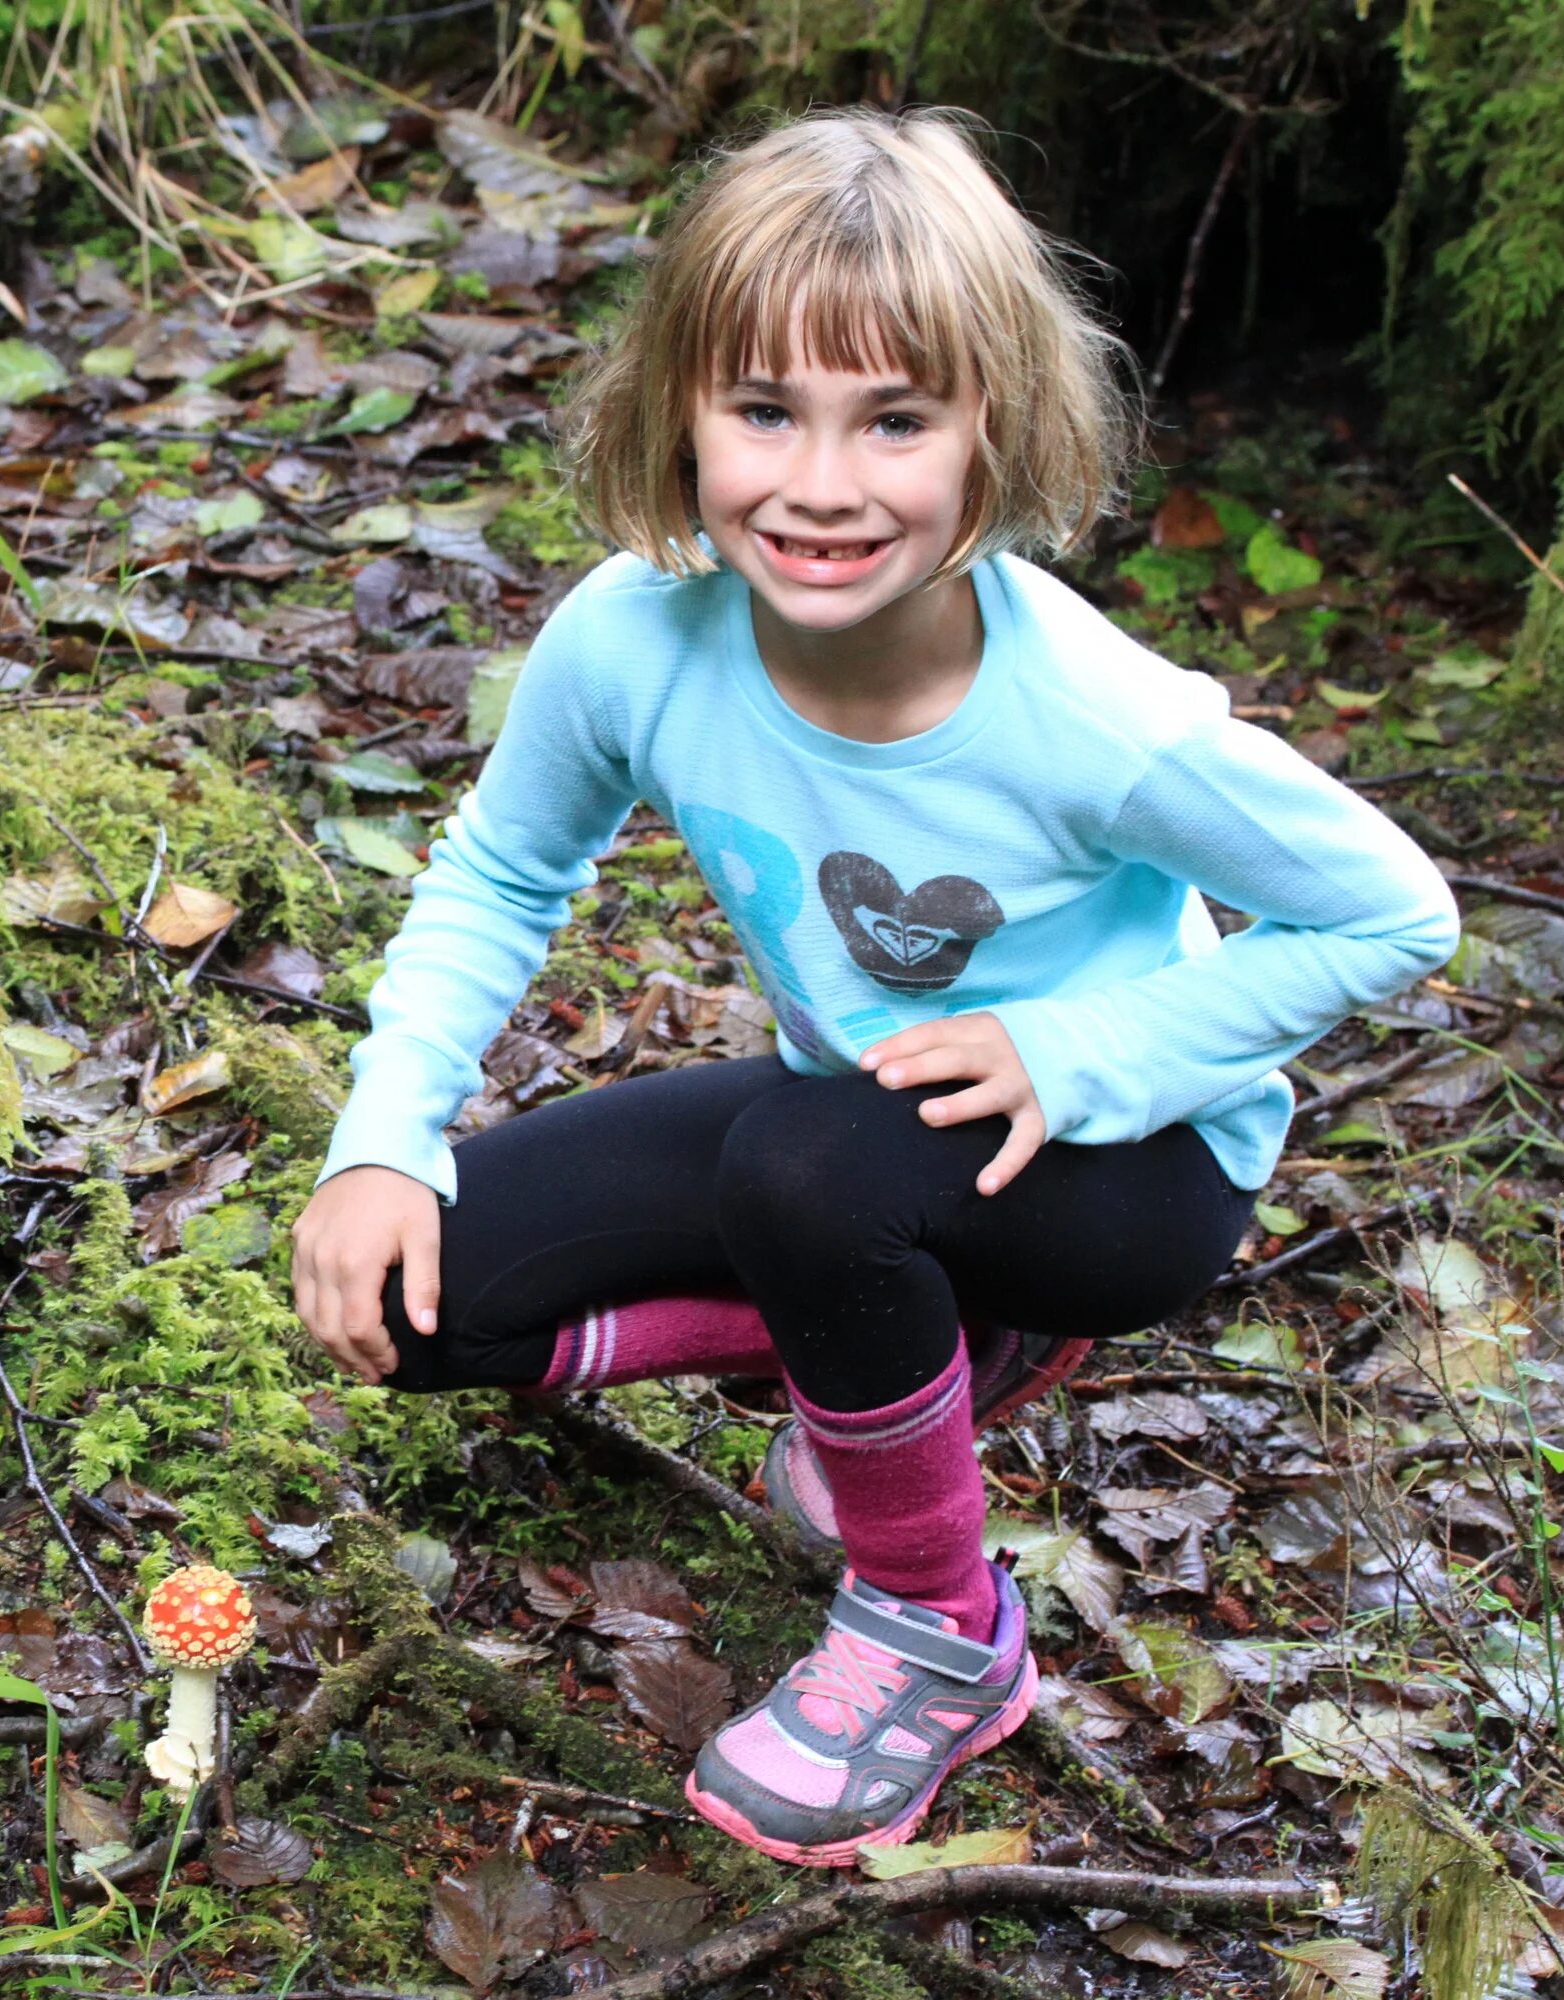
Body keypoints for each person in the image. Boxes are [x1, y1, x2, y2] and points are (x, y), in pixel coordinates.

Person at [287, 106, 1460, 1868]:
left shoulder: (1089, 717)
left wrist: (1073, 1053)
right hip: (868, 1128)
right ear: (677, 406)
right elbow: (503, 873)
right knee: (431, 1303)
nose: (820, 485)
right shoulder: (633, 636)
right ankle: (897, 1357)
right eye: (764, 410)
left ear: (994, 427)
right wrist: (380, 1137)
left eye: (894, 420)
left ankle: (936, 1623)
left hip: (1127, 1173)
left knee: (813, 1176)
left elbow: (1394, 913)